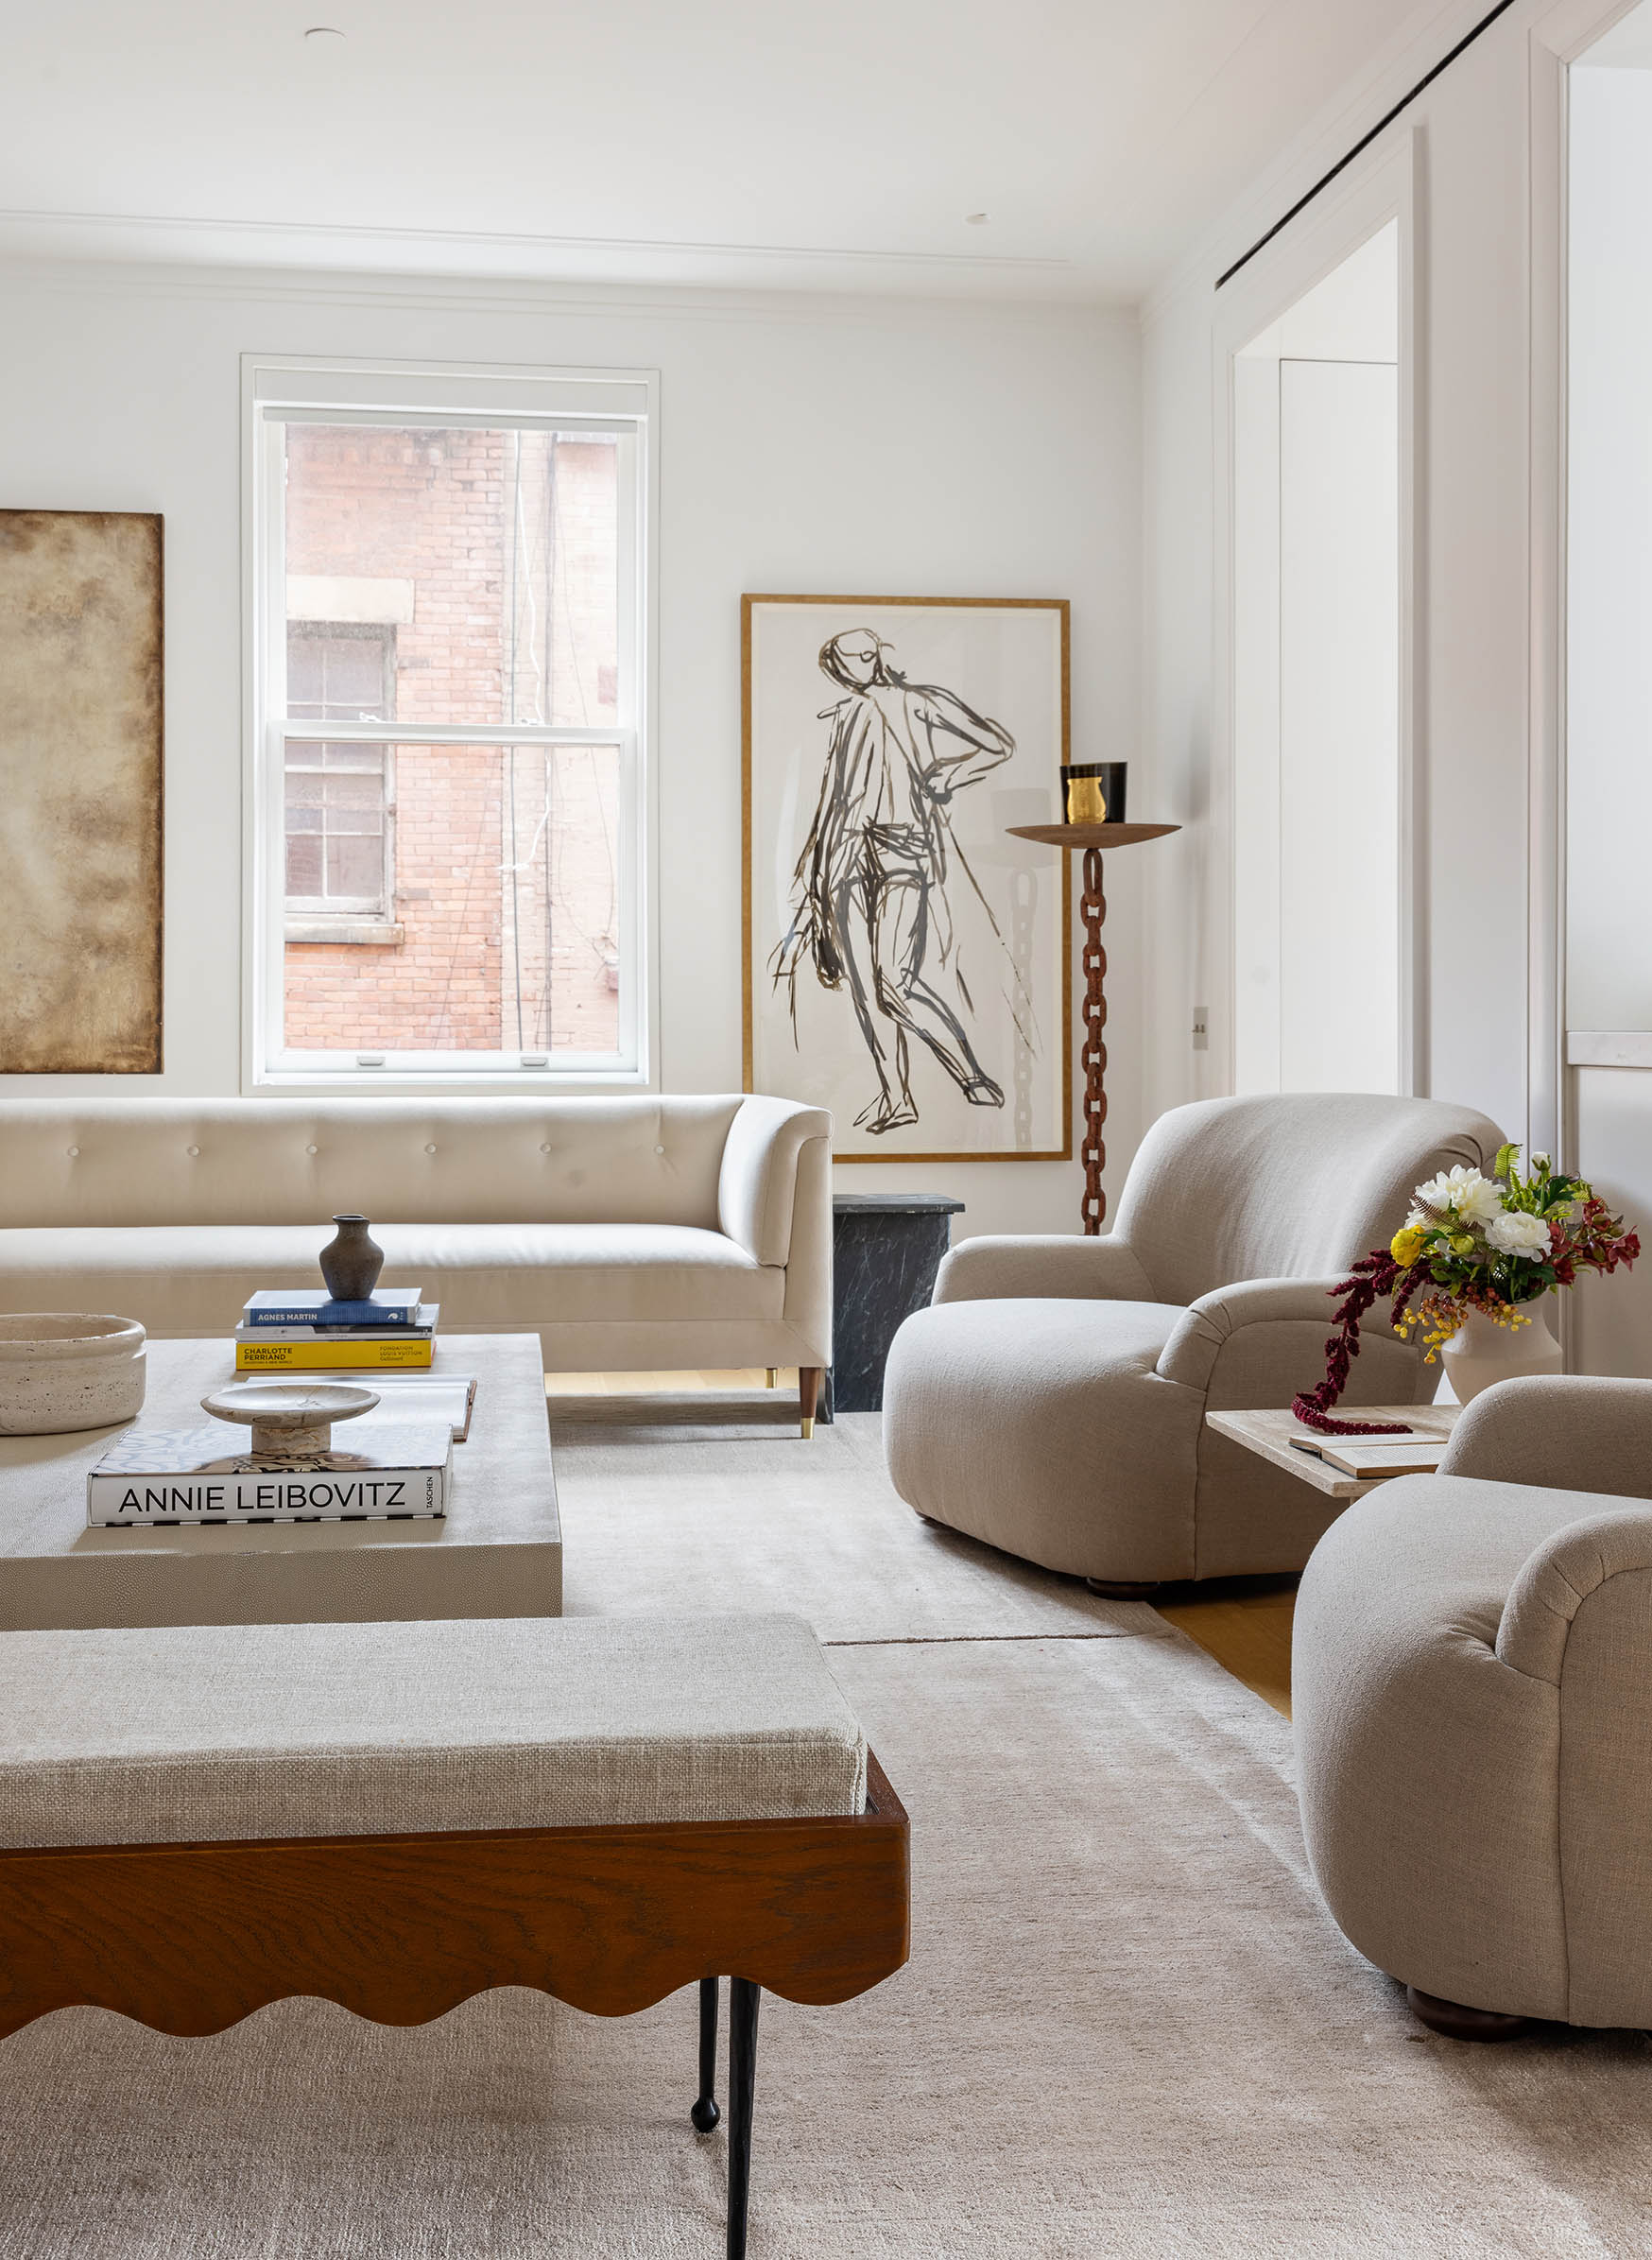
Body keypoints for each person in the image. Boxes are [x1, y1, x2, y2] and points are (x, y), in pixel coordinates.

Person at [771, 628, 1021, 1134]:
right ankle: (897, 1096)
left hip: (903, 851)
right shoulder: (843, 716)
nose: (857, 666)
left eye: (866, 655)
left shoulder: (919, 703)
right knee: (864, 990)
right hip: (842, 857)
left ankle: (971, 1074)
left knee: (894, 983)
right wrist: (814, 882)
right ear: (837, 666)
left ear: (878, 656)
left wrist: (949, 774)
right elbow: (830, 803)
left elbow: (996, 745)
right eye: (845, 660)